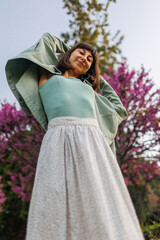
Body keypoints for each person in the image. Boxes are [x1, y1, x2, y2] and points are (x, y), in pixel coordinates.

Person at [5, 33, 144, 240]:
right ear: (69, 53)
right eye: (82, 53)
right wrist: (74, 51)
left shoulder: (88, 88)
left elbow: (118, 107)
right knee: (55, 196)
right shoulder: (47, 74)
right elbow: (47, 41)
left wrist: (98, 77)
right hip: (58, 138)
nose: (85, 59)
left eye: (90, 60)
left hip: (91, 140)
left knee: (98, 196)